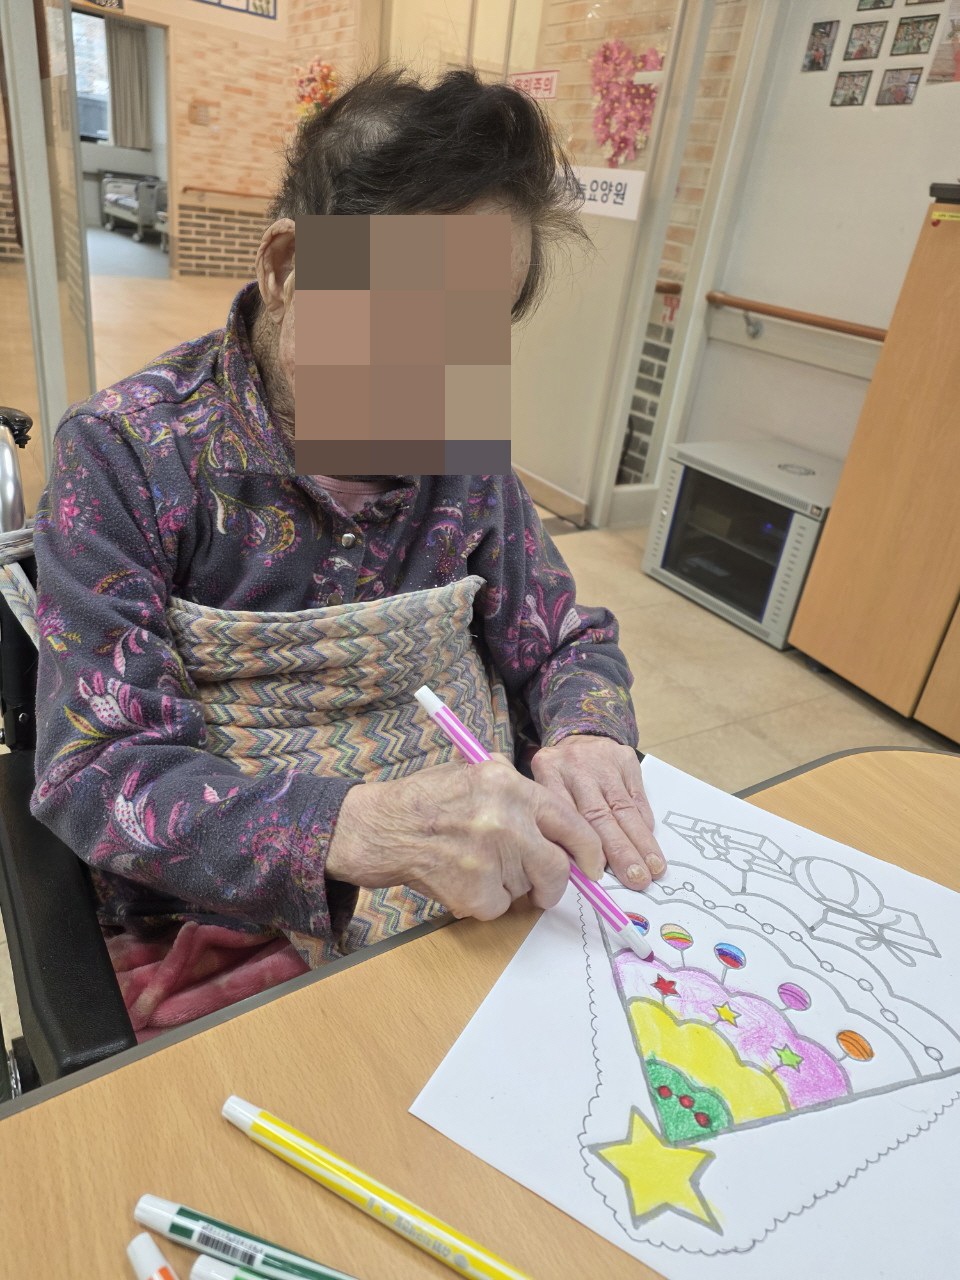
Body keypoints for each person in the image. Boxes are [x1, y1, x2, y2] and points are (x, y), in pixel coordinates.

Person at [30, 65, 666, 1039]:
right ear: (288, 268)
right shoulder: (128, 455)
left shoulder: (462, 448)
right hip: (232, 920)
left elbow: (562, 639)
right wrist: (355, 825)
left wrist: (588, 733)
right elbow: (97, 769)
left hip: (479, 894)